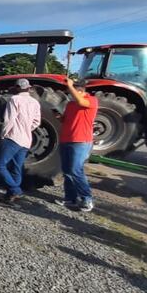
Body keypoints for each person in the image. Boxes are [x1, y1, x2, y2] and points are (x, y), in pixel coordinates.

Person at [0, 78, 41, 204]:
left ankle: (15, 190)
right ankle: (10, 196)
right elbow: (37, 121)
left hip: (13, 138)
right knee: (16, 167)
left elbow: (9, 119)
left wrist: (3, 134)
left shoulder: (15, 99)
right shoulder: (35, 102)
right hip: (27, 139)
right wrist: (27, 128)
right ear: (29, 88)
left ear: (17, 87)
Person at [58, 78, 99, 212]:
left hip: (81, 141)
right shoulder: (70, 104)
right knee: (67, 171)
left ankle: (87, 199)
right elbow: (66, 119)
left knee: (76, 170)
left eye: (72, 91)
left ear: (80, 91)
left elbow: (82, 102)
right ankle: (70, 198)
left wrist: (70, 85)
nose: (70, 94)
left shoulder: (91, 100)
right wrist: (58, 116)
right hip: (66, 140)